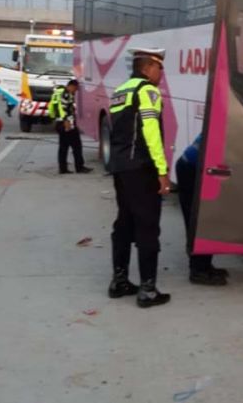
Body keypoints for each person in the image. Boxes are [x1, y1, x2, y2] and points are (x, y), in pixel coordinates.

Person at [107, 48, 171, 308]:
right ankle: (148, 289)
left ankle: (119, 281)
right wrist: (162, 171)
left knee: (124, 222)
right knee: (147, 226)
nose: (162, 74)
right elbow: (151, 132)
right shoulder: (148, 91)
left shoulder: (120, 90)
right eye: (159, 68)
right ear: (146, 68)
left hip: (120, 167)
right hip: (141, 168)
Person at [174, 134, 229, 286]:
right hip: (191, 170)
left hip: (198, 168)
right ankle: (198, 270)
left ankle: (204, 264)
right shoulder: (231, 128)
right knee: (199, 220)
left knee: (206, 218)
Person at [47, 79, 91, 174]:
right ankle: (79, 167)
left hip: (59, 122)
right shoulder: (65, 94)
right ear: (71, 86)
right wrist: (67, 124)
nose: (75, 91)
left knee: (63, 146)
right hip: (66, 123)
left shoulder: (58, 92)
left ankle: (63, 168)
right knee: (77, 145)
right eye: (75, 89)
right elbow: (64, 109)